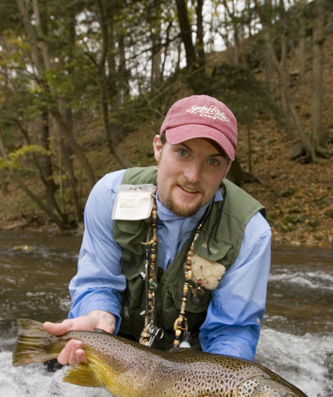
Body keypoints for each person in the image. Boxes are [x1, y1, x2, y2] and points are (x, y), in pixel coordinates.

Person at [44, 94, 271, 365]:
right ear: (158, 148)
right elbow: (99, 282)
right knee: (53, 363)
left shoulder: (251, 232)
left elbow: (232, 331)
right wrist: (97, 316)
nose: (193, 175)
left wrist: (218, 388)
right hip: (118, 345)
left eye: (213, 161)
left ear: (227, 168)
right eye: (183, 152)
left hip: (191, 363)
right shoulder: (109, 195)